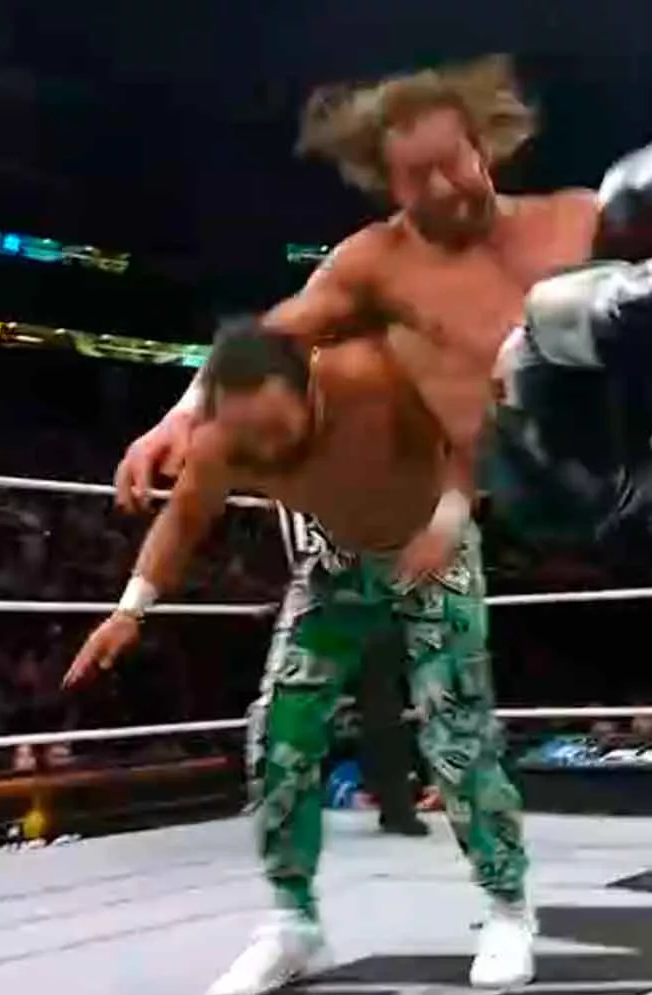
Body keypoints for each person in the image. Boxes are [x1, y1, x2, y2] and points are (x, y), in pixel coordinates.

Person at [115, 2, 652, 542]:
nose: (442, 188)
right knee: (548, 318)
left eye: (451, 162)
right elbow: (264, 340)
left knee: (623, 206)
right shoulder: (374, 262)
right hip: (542, 486)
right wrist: (180, 415)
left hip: (640, 433)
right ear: (387, 186)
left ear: (482, 148)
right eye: (416, 177)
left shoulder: (570, 215)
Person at [64, 330, 532, 995]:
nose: (273, 446)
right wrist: (129, 610)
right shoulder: (225, 440)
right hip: (337, 563)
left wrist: (448, 521)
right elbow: (186, 518)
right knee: (279, 732)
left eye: (280, 424)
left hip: (433, 550)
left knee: (456, 732)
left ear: (308, 387)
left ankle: (508, 906)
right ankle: (293, 922)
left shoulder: (372, 380)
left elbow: (468, 434)